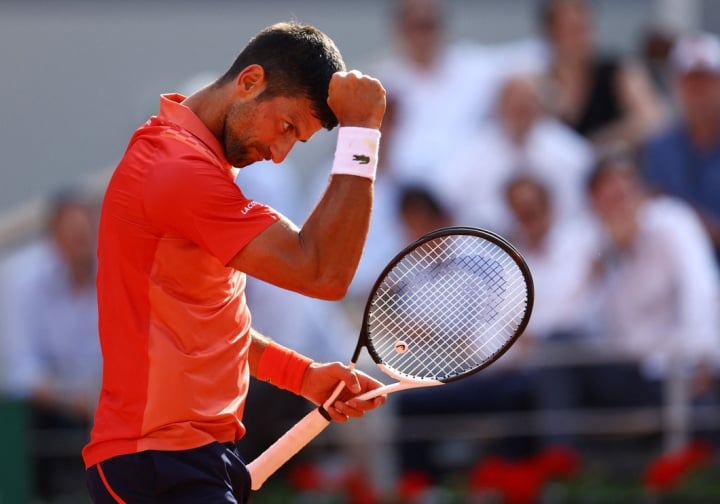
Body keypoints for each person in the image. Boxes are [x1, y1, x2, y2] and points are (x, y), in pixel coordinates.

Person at [82, 22, 387, 503]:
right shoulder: (177, 171)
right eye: (287, 126)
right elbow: (324, 273)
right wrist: (361, 134)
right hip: (157, 463)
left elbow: (204, 324)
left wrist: (303, 376)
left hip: (185, 458)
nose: (280, 154)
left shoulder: (188, 163)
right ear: (249, 82)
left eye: (297, 140)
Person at [1, 189, 101, 501]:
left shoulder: (114, 274)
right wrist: (71, 398)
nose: (81, 244)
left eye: (86, 234)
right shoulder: (21, 280)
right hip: (40, 412)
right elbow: (19, 372)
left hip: (101, 404)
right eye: (73, 235)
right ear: (53, 238)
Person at [439, 74, 593, 234]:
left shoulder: (569, 152)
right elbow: (444, 198)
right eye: (514, 105)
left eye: (526, 104)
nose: (520, 112)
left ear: (538, 106)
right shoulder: (471, 155)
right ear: (498, 108)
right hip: (490, 249)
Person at [538, 0, 667, 147]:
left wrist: (601, 142)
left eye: (585, 28)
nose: (581, 38)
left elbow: (654, 119)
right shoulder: (539, 83)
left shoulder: (619, 72)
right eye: (571, 30)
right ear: (550, 33)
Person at [641, 31, 720, 265]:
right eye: (690, 83)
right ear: (676, 86)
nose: (699, 94)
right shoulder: (657, 149)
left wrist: (692, 224)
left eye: (706, 83)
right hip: (673, 278)